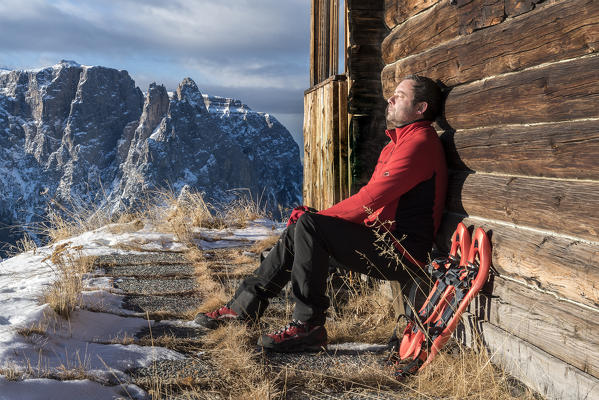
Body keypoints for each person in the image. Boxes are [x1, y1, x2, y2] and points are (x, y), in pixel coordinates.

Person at [194, 75, 448, 352]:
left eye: (400, 95)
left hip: (402, 250)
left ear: (421, 108)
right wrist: (316, 218)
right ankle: (243, 308)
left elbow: (371, 200)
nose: (391, 98)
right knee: (302, 227)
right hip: (383, 238)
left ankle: (308, 326)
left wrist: (319, 218)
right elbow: (374, 203)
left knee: (310, 225)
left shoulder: (419, 143)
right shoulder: (398, 143)